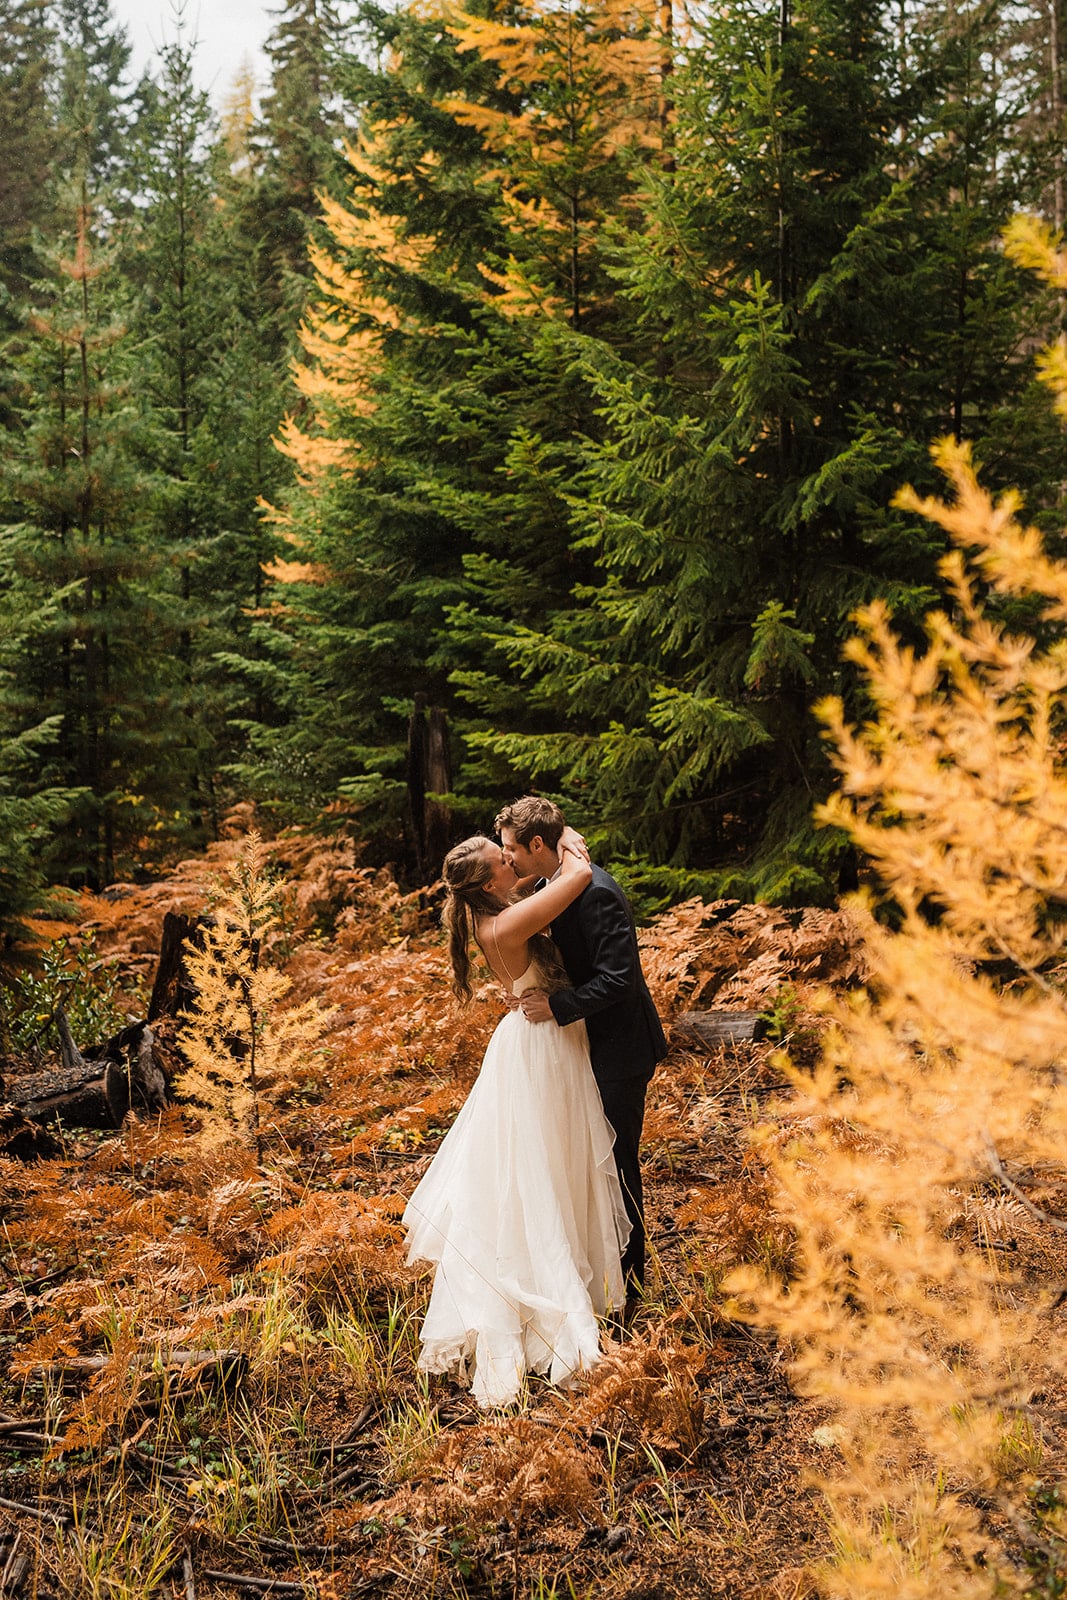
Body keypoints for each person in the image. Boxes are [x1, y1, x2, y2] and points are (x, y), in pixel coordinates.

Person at [402, 831, 630, 1409]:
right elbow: (574, 878)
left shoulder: (503, 907)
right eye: (503, 859)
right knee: (543, 1174)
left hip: (546, 1040)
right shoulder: (504, 925)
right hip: (543, 1051)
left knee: (557, 1164)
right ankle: (554, 1306)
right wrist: (568, 842)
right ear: (487, 883)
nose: (513, 862)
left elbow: (538, 882)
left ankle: (585, 1276)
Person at [494, 797, 667, 1315]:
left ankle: (631, 1290)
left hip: (620, 1049)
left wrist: (556, 1004)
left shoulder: (598, 896)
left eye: (510, 850)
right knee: (595, 1165)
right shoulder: (554, 881)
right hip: (586, 1048)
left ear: (538, 846)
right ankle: (602, 1277)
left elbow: (618, 979)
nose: (507, 862)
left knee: (618, 1165)